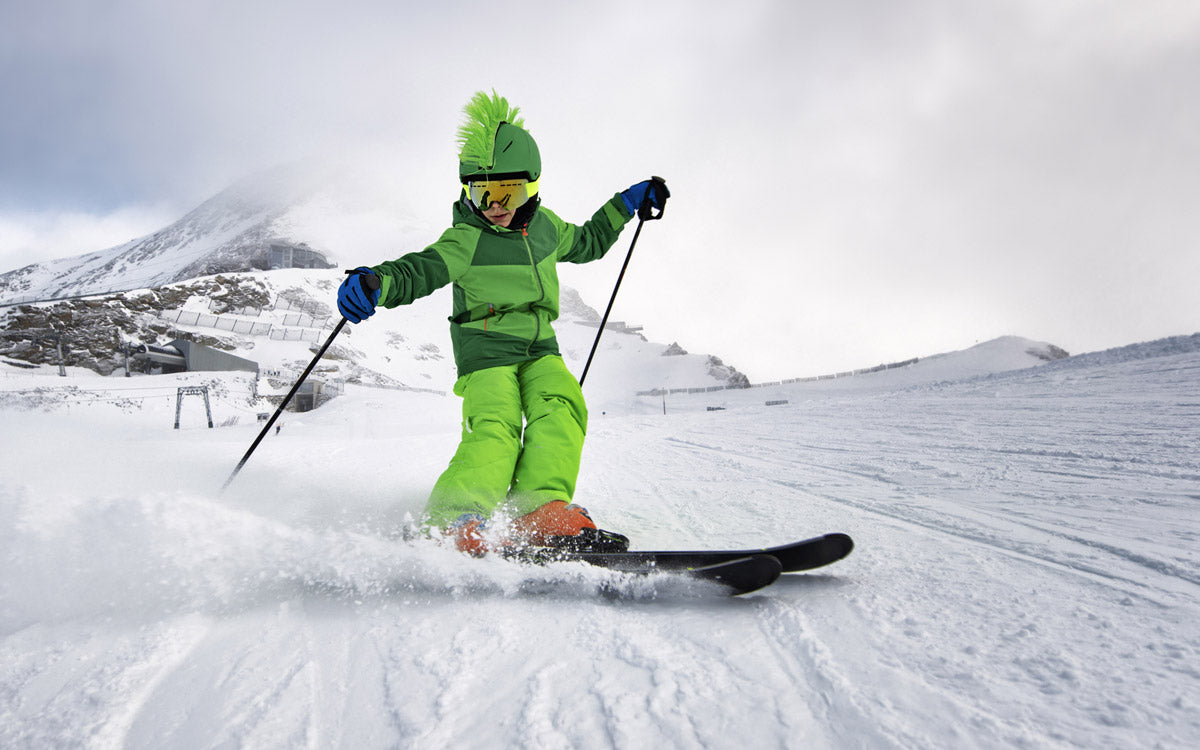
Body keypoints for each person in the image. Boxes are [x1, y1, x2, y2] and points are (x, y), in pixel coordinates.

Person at [336, 91, 668, 556]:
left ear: (531, 186)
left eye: (507, 191)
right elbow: (422, 268)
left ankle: (541, 511)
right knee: (496, 424)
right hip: (486, 347)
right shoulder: (467, 238)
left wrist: (628, 203)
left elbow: (589, 241)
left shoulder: (548, 228)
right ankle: (451, 521)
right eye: (482, 192)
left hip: (539, 346)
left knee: (563, 407)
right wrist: (377, 282)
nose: (494, 204)